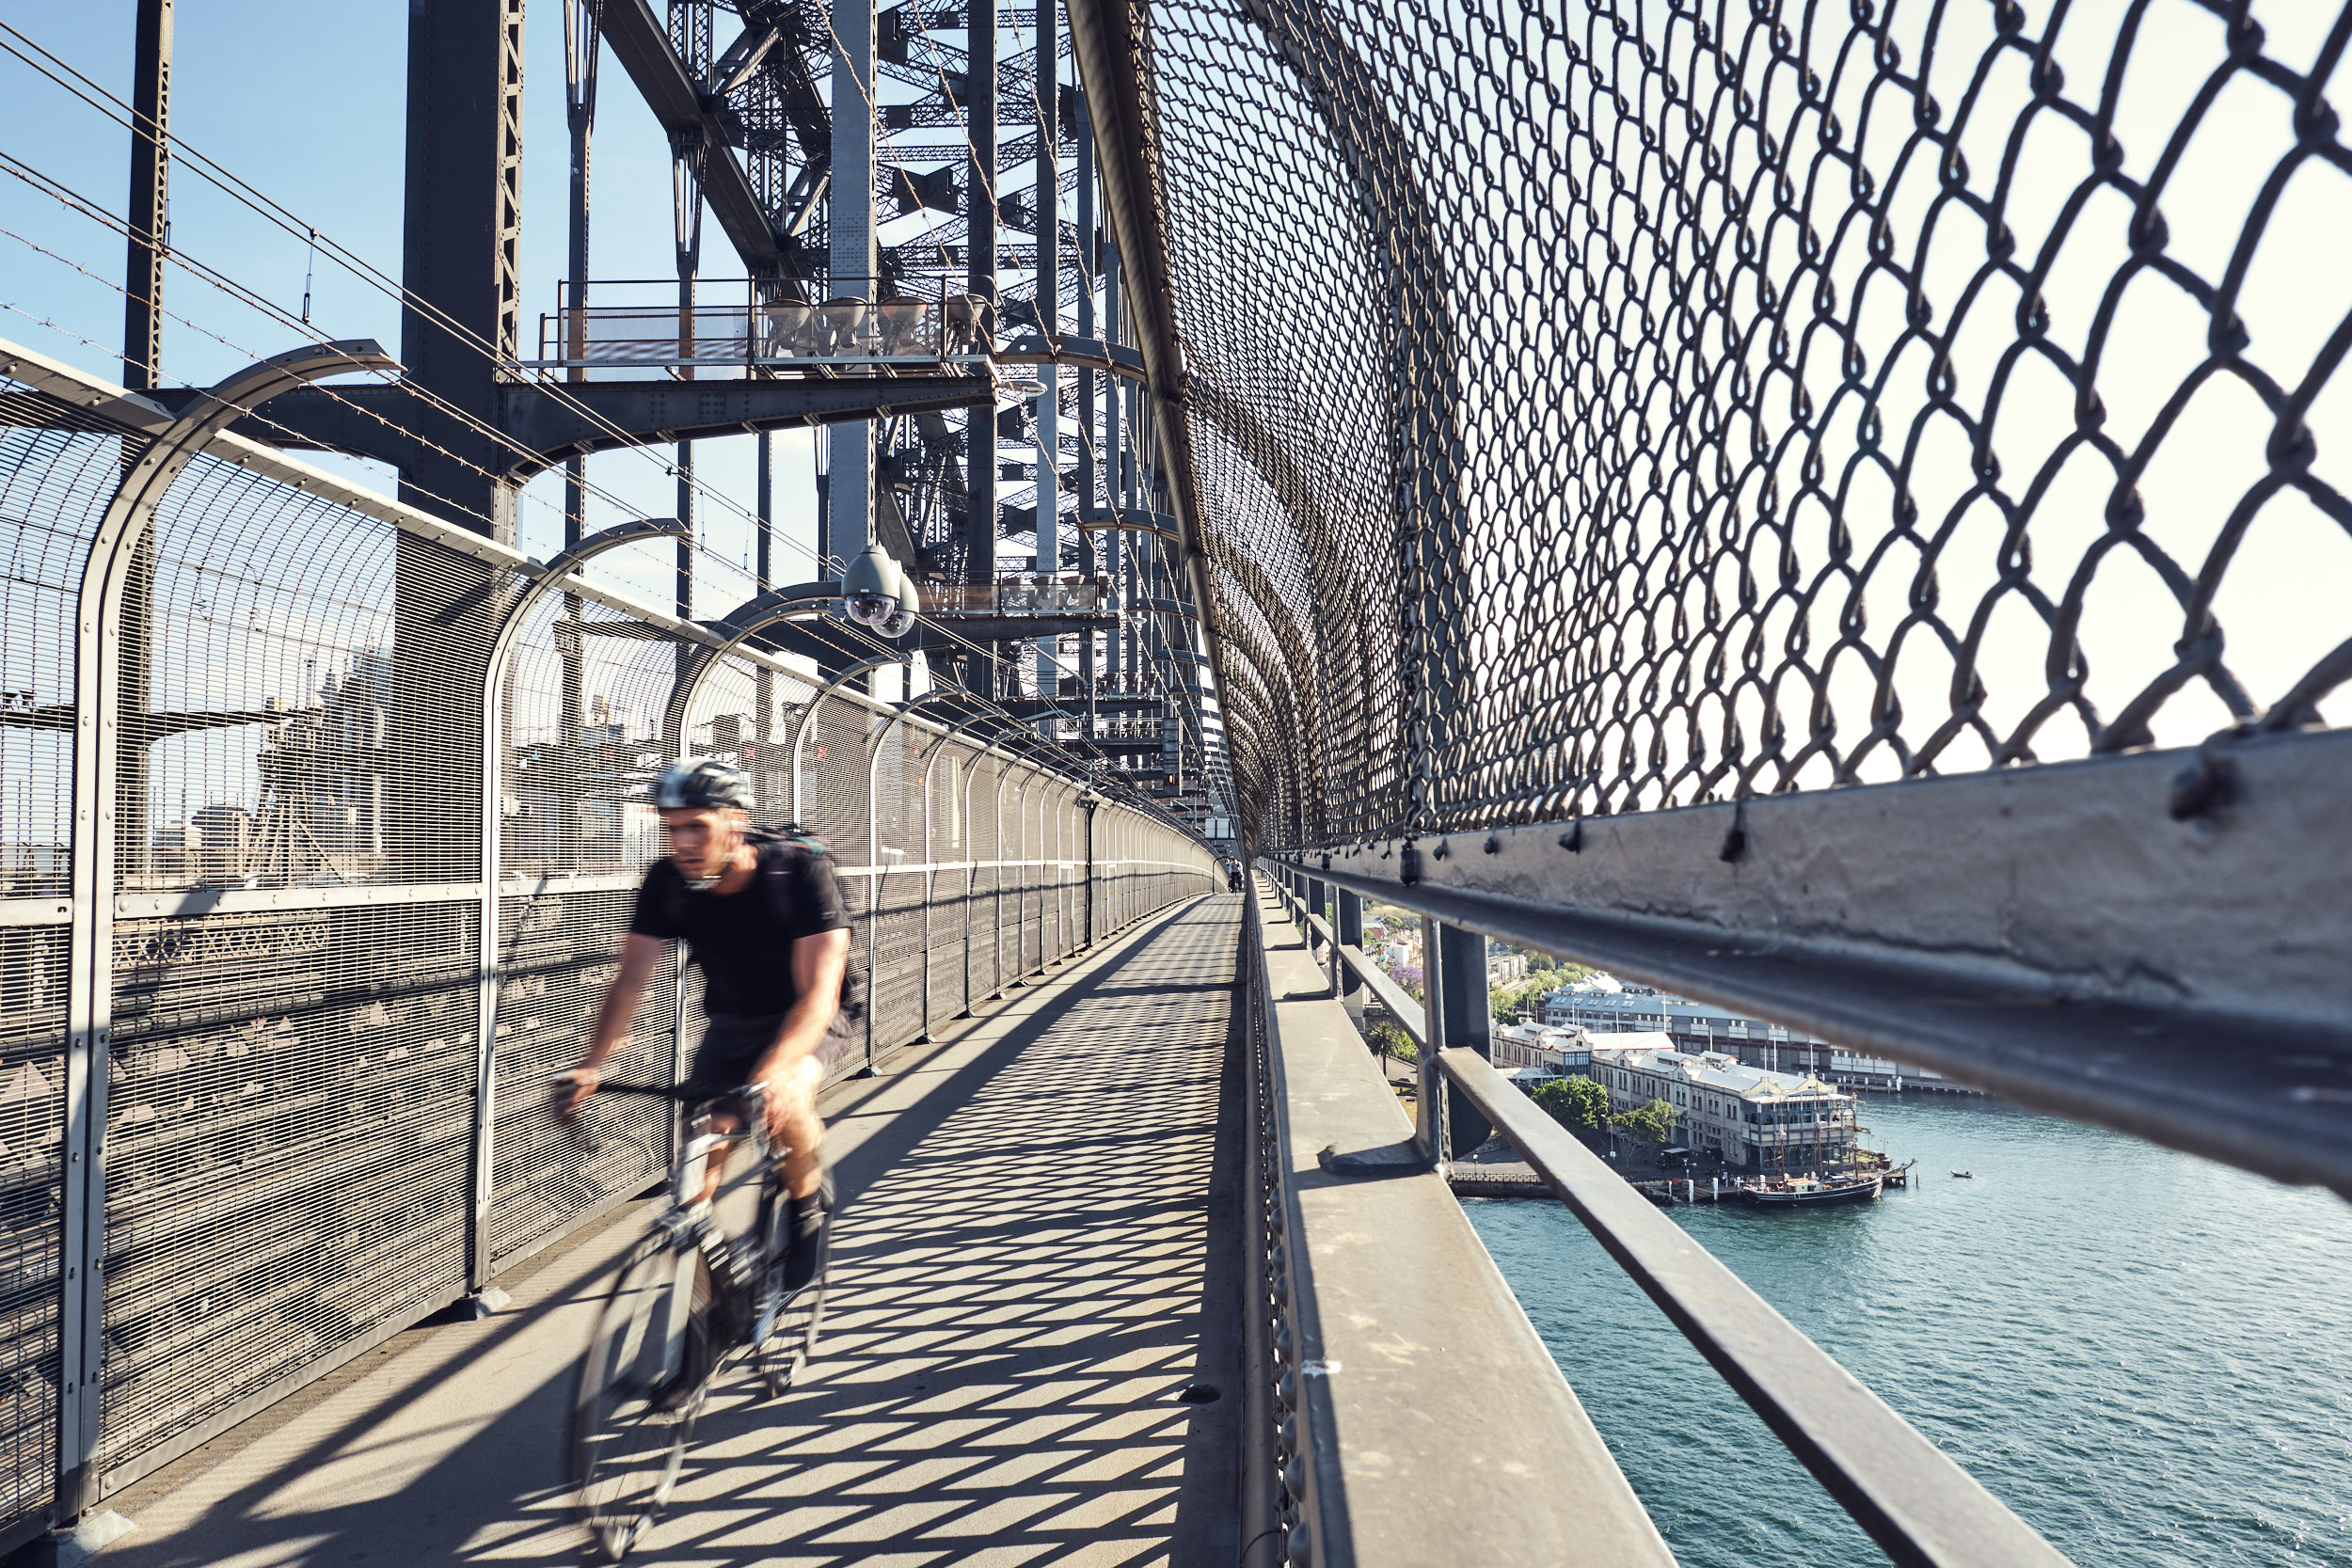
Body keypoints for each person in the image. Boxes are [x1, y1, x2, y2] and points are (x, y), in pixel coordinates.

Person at [557, 759, 850, 1289]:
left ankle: (807, 1204)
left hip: (810, 1015)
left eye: (698, 827)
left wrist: (779, 1073)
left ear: (734, 822)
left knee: (787, 1100)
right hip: (734, 1016)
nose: (683, 842)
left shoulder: (798, 870)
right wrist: (591, 1065)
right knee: (702, 1149)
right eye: (673, 829)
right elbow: (629, 981)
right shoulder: (668, 882)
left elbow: (819, 995)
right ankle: (703, 1310)